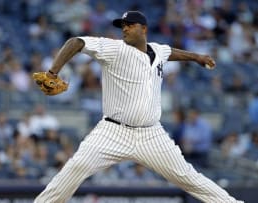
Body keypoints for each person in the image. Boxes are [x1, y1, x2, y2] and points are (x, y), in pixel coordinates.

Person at [34, 11, 243, 203]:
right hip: (113, 132)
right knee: (75, 168)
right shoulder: (115, 49)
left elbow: (170, 52)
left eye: (130, 25)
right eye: (122, 25)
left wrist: (196, 57)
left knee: (188, 177)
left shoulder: (157, 50)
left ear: (144, 29)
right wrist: (52, 73)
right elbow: (76, 41)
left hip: (152, 134)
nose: (124, 28)